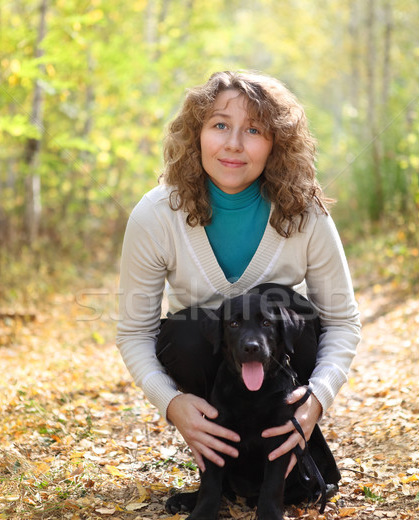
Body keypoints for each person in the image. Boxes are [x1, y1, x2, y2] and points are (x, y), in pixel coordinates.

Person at [116, 70, 361, 493]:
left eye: (253, 130)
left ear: (276, 143)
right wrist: (171, 404)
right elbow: (135, 331)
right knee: (190, 331)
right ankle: (222, 450)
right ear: (197, 134)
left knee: (278, 303)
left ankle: (282, 437)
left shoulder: (304, 213)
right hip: (205, 363)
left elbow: (342, 321)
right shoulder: (156, 214)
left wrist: (315, 401)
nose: (233, 144)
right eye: (220, 125)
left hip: (281, 368)